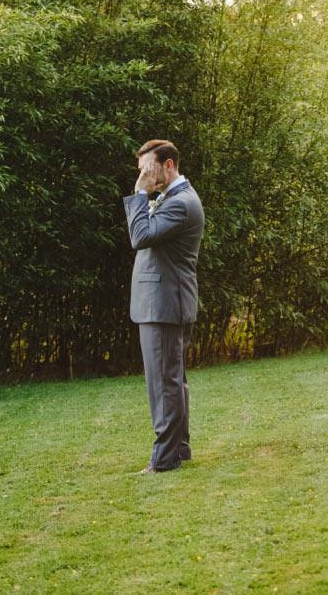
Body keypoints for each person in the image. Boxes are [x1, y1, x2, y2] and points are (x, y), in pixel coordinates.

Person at [123, 139, 204, 474]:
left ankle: (165, 459)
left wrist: (140, 194)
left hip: (165, 304)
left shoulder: (181, 203)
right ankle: (178, 450)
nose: (143, 175)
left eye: (148, 168)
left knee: (164, 384)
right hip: (165, 302)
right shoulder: (174, 199)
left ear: (167, 165)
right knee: (172, 381)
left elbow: (139, 237)